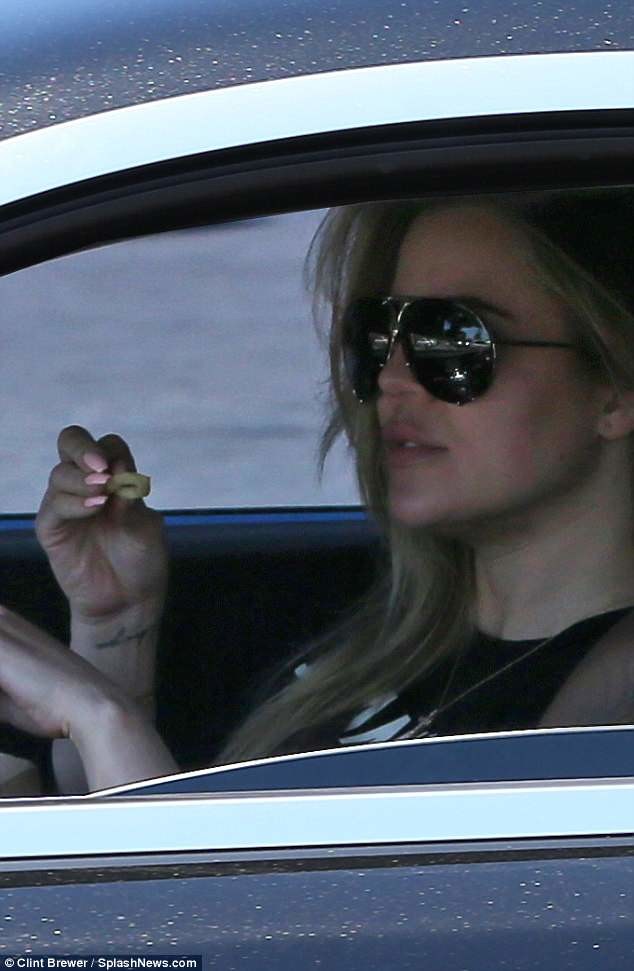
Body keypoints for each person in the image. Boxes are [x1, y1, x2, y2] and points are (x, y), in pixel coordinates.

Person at [1, 188, 633, 795]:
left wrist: (99, 716)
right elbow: (97, 829)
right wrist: (117, 625)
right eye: (377, 336)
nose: (392, 379)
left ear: (615, 390)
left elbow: (192, 875)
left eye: (451, 340)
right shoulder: (397, 638)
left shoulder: (612, 701)